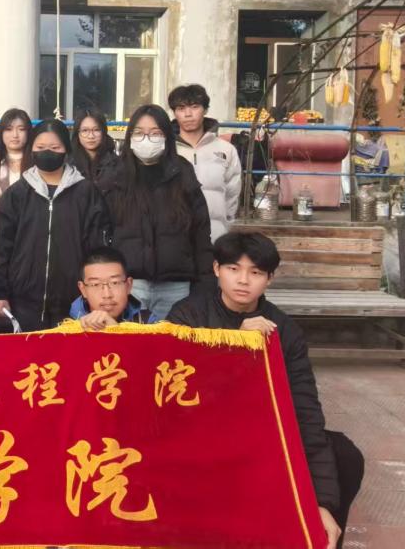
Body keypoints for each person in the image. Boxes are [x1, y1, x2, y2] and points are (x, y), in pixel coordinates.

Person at [166, 232, 363, 549]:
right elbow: (179, 395)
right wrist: (237, 343)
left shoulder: (284, 330)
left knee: (345, 455)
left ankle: (320, 536)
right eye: (233, 269)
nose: (243, 280)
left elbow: (304, 411)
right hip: (202, 433)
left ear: (269, 278)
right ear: (216, 269)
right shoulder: (186, 316)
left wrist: (321, 502)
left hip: (263, 435)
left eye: (256, 272)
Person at [0, 119, 110, 332]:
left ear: (66, 150)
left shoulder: (86, 193)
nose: (47, 152)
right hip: (23, 303)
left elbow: (97, 249)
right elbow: (2, 248)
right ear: (31, 149)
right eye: (41, 147)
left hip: (75, 304)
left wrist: (95, 291)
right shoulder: (16, 194)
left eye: (55, 147)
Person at [105, 104, 215, 321]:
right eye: (139, 133)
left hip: (176, 285)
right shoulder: (116, 176)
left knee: (172, 341)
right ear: (130, 137)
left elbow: (201, 234)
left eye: (155, 133)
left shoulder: (182, 172)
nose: (146, 139)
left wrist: (206, 283)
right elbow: (103, 232)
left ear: (166, 137)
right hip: (128, 284)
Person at [169, 84, 241, 241]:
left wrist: (223, 227)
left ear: (205, 110)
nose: (188, 114)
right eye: (181, 108)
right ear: (174, 113)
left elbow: (232, 195)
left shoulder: (226, 150)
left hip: (215, 235)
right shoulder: (166, 151)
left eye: (195, 107)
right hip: (174, 237)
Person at [70, 247, 153, 330]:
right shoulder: (66, 326)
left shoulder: (150, 323)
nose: (107, 295)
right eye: (95, 284)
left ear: (128, 285)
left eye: (115, 283)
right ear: (83, 289)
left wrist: (116, 330)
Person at [70, 108, 120, 198]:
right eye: (85, 130)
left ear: (103, 132)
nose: (91, 136)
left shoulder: (117, 164)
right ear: (77, 133)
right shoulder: (68, 165)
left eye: (96, 130)